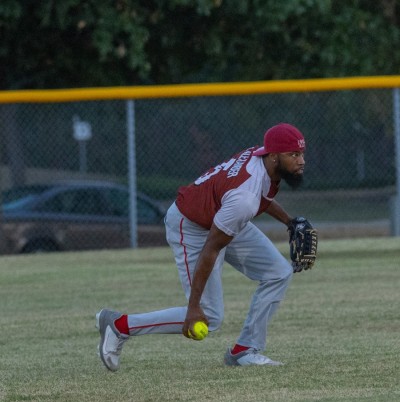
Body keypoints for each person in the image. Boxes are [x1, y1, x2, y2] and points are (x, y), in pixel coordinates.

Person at [97, 123, 309, 371]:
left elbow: (260, 195)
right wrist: (194, 306)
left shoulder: (259, 159)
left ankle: (245, 350)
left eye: (301, 154)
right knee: (210, 315)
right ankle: (120, 325)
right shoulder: (244, 199)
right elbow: (212, 247)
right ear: (273, 156)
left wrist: (289, 222)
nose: (301, 161)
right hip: (192, 226)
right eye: (293, 155)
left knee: (278, 272)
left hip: (220, 217)